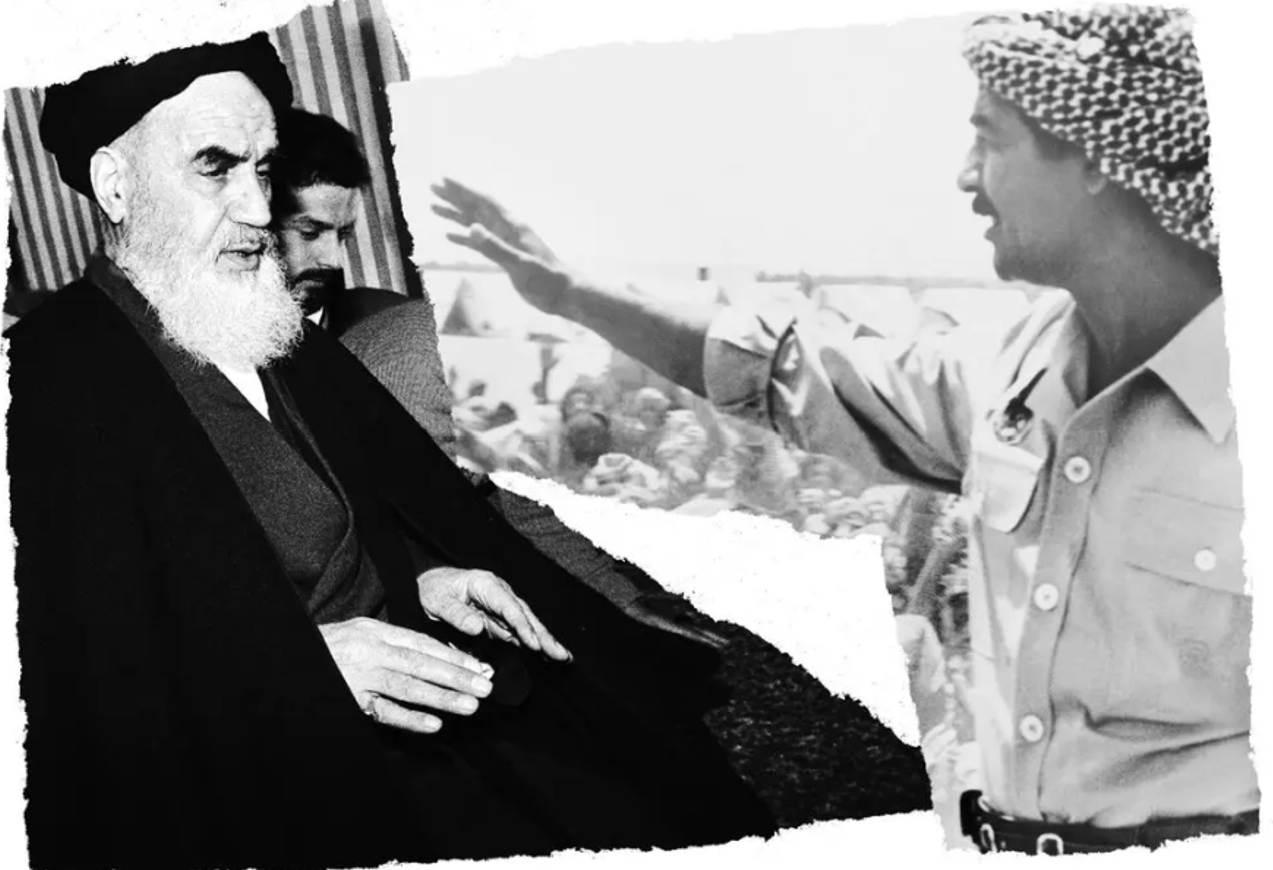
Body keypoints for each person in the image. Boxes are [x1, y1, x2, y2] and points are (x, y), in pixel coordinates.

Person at [431, 5, 1259, 854]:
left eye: (990, 139)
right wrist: (569, 293)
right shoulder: (1009, 368)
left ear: (1090, 154)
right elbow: (780, 370)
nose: (965, 177)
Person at [6, 36, 775, 868]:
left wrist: (426, 577)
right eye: (215, 167)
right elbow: (74, 680)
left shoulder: (272, 324)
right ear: (115, 184)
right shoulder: (44, 378)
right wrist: (301, 669)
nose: (258, 209)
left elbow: (375, 507)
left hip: (421, 688)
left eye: (263, 169)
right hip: (268, 773)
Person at [270, 106, 722, 647]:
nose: (333, 258)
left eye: (342, 234)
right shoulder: (414, 357)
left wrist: (622, 600)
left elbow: (517, 502)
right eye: (310, 230)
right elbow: (448, 536)